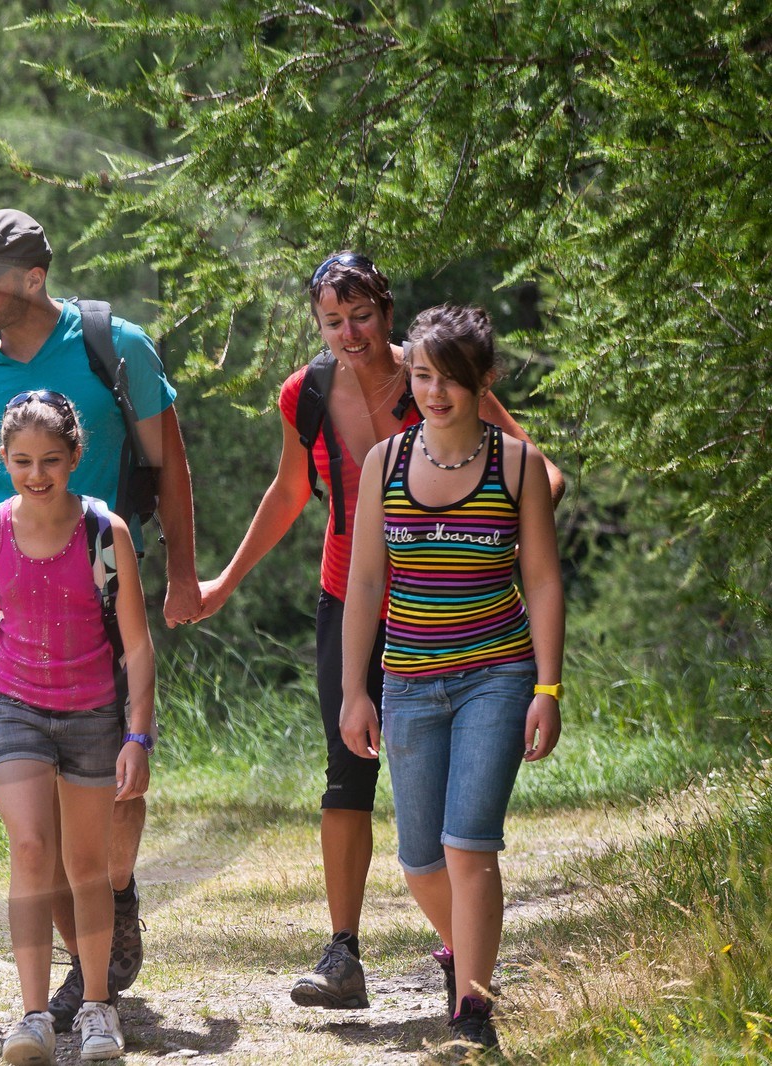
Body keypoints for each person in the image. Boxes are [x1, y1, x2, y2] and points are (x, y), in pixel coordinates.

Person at [194, 253, 565, 1009]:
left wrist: (486, 545)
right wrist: (225, 580)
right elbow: (292, 488)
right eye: (333, 321)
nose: (349, 333)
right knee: (347, 763)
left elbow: (538, 473)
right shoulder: (305, 394)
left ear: (387, 313)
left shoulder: (438, 371)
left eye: (361, 316)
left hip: (453, 606)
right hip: (354, 594)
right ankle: (344, 954)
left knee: (453, 834)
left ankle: (468, 968)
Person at [0, 208, 198, 1023]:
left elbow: (169, 462)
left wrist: (184, 572)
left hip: (103, 594)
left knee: (111, 774)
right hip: (7, 603)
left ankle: (113, 890)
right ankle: (82, 975)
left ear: (32, 281)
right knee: (35, 820)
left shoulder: (114, 348)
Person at [339, 304, 564, 1053]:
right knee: (418, 861)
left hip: (496, 677)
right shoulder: (386, 464)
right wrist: (354, 690)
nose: (435, 394)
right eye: (424, 376)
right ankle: (466, 955)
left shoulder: (517, 464)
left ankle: (473, 1013)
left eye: (453, 380)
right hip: (407, 681)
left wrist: (548, 688)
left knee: (469, 845)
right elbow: (366, 583)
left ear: (484, 382)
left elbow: (542, 579)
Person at [0, 391, 155, 1065]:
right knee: (31, 853)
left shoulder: (107, 533)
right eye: (21, 461)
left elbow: (137, 645)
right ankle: (33, 1016)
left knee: (84, 866)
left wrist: (139, 736)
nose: (36, 473)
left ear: (75, 456)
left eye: (49, 459)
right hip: (14, 708)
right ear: (3, 461)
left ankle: (99, 1007)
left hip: (94, 712)